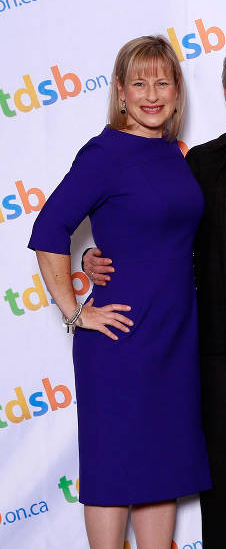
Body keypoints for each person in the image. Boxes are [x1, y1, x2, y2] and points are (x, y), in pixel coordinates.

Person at [83, 41, 226, 549]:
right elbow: (157, 226)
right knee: (224, 495)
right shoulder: (200, 165)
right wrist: (93, 257)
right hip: (216, 352)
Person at [28, 35, 210, 548]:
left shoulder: (175, 154)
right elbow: (49, 229)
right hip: (122, 338)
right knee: (114, 468)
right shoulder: (104, 152)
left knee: (162, 471)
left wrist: (95, 257)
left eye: (163, 81)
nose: (152, 93)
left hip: (175, 338)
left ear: (177, 90)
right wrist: (75, 312)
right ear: (120, 92)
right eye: (139, 82)